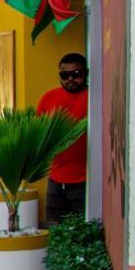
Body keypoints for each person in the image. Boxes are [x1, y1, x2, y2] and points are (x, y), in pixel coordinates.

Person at [36, 53, 89, 223]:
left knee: (83, 232)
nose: (70, 79)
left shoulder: (95, 98)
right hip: (56, 178)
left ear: (86, 73)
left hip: (86, 180)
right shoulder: (49, 98)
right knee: (55, 231)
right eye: (65, 75)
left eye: (76, 74)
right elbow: (38, 133)